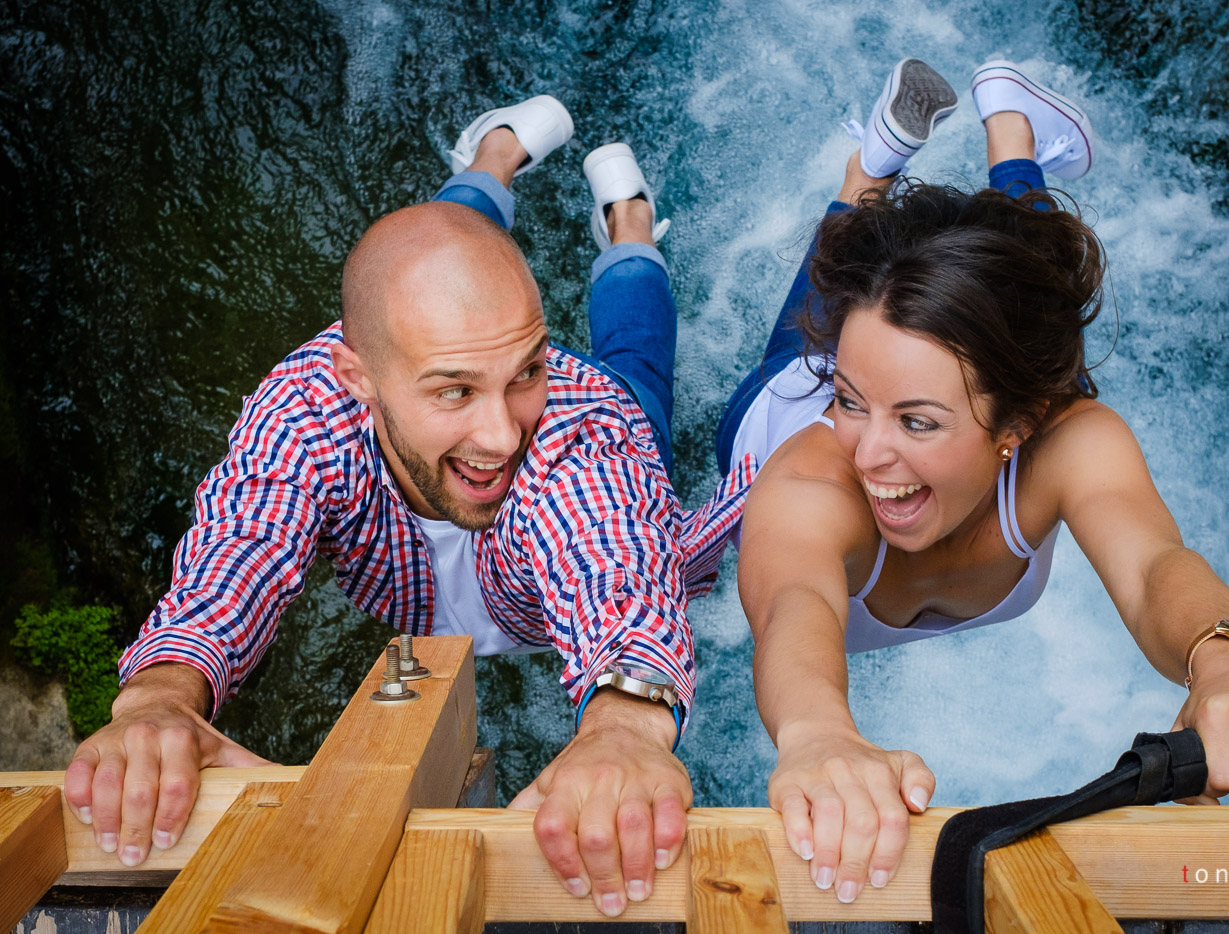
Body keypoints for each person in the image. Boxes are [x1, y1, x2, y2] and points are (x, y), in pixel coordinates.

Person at [63, 94, 752, 918]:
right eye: (453, 390)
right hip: (421, 367)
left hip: (610, 409)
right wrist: (161, 698)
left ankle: (629, 227)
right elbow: (241, 545)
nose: (503, 436)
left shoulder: (580, 436)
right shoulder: (308, 407)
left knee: (635, 362)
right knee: (436, 248)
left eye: (527, 373)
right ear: (358, 379)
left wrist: (624, 729)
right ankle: (492, 159)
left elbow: (616, 569)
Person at [717, 58, 1229, 905]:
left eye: (917, 423)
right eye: (852, 405)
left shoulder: (1069, 436)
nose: (867, 453)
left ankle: (1011, 132)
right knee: (831, 304)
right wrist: (818, 733)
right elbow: (794, 605)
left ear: (1017, 428)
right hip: (773, 407)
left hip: (969, 370)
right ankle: (872, 173)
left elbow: (1155, 565)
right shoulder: (811, 477)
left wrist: (1228, 660)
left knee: (1032, 304)